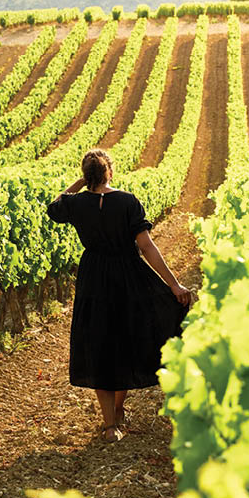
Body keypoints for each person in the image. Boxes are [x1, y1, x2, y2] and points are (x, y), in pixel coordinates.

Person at [47, 148, 191, 442]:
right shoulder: (127, 201)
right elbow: (147, 246)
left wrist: (78, 184)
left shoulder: (77, 204)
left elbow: (54, 206)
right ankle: (119, 406)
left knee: (100, 343)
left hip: (93, 278)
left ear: (87, 175)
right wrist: (174, 285)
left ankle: (110, 424)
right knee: (125, 338)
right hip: (127, 275)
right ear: (109, 172)